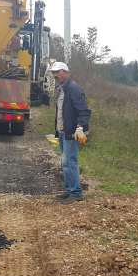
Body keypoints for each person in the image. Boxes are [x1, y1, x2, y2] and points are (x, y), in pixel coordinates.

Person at [52, 61, 91, 203]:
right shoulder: (62, 89)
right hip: (63, 132)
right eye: (54, 73)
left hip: (71, 132)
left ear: (66, 73)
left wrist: (80, 127)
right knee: (65, 163)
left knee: (70, 162)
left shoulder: (74, 89)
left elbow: (84, 111)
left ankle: (76, 193)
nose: (55, 75)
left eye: (58, 72)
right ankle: (69, 191)